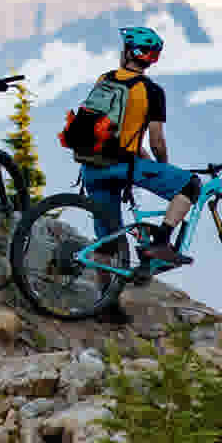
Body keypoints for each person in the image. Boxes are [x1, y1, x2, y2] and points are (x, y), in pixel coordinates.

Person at [79, 25, 199, 269]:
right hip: (122, 166)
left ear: (127, 52)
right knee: (190, 185)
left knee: (107, 244)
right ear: (152, 58)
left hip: (90, 166)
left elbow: (115, 131)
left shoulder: (105, 79)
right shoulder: (152, 91)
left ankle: (105, 300)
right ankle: (161, 243)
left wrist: (143, 159)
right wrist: (164, 168)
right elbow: (156, 140)